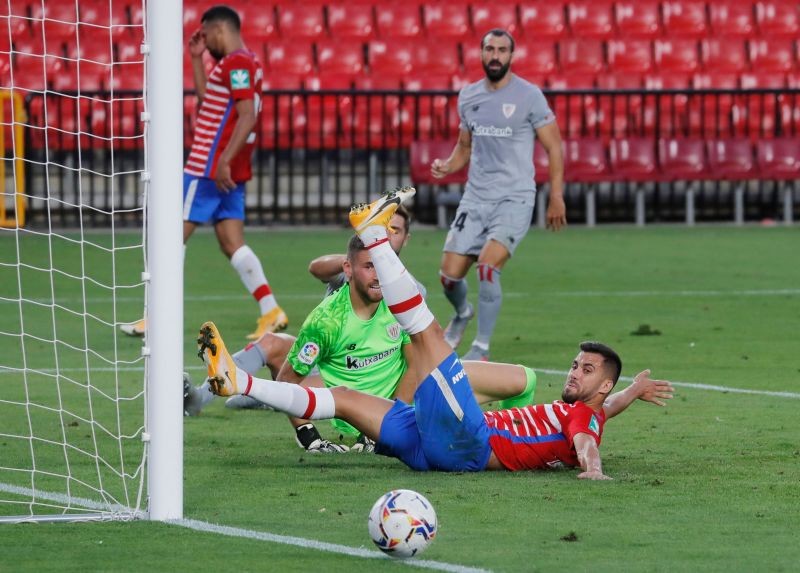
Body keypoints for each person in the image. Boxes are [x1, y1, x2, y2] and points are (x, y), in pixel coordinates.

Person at [198, 190, 674, 477]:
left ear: (601, 384)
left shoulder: (582, 424)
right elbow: (603, 410)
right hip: (433, 448)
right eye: (576, 364)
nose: (574, 372)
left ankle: (376, 236)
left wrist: (593, 470)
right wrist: (632, 390)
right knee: (341, 397)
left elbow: (587, 440)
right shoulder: (589, 408)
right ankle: (239, 383)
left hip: (470, 440)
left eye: (586, 370)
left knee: (427, 338)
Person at [186, 195, 538, 455]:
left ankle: (515, 435)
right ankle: (227, 391)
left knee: (524, 378)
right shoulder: (329, 316)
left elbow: (423, 357)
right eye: (369, 262)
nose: (389, 240)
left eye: (394, 231)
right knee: (283, 351)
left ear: (405, 239)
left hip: (407, 393)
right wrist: (310, 436)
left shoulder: (408, 292)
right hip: (356, 397)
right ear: (351, 268)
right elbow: (317, 267)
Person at [121, 5, 287, 340]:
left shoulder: (237, 63)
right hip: (224, 169)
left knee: (170, 239)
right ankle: (270, 310)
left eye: (206, 34)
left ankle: (156, 316)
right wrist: (196, 59)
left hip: (207, 167)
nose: (205, 40)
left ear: (220, 29)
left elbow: (246, 116)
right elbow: (207, 100)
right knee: (232, 243)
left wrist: (224, 159)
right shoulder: (241, 63)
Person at [430, 29, 566, 362]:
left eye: (502, 50)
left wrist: (556, 196)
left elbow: (554, 146)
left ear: (511, 56)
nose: (495, 56)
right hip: (475, 198)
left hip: (515, 198)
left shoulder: (529, 96)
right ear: (480, 54)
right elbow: (464, 147)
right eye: (490, 49)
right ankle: (462, 313)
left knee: (488, 269)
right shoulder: (469, 96)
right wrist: (448, 166)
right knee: (448, 276)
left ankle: (482, 348)